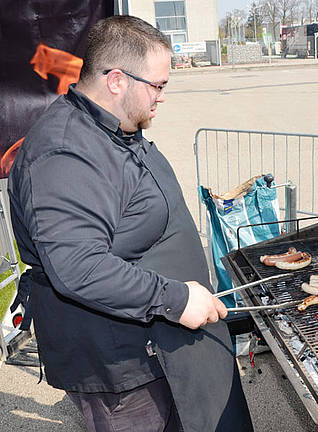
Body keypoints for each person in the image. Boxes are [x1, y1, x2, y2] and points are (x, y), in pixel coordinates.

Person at [8, 15, 253, 432]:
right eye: (157, 85)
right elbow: (79, 267)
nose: (162, 97)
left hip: (158, 342)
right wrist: (175, 299)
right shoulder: (66, 154)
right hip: (119, 366)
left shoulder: (114, 126)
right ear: (117, 80)